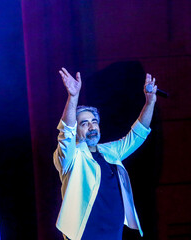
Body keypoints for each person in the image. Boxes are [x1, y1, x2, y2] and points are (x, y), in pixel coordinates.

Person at [53, 67, 157, 240]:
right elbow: (66, 133)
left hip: (113, 232)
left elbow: (138, 134)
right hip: (85, 234)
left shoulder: (110, 151)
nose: (92, 127)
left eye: (94, 122)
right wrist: (73, 97)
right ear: (76, 129)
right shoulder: (70, 157)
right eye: (84, 123)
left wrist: (150, 102)